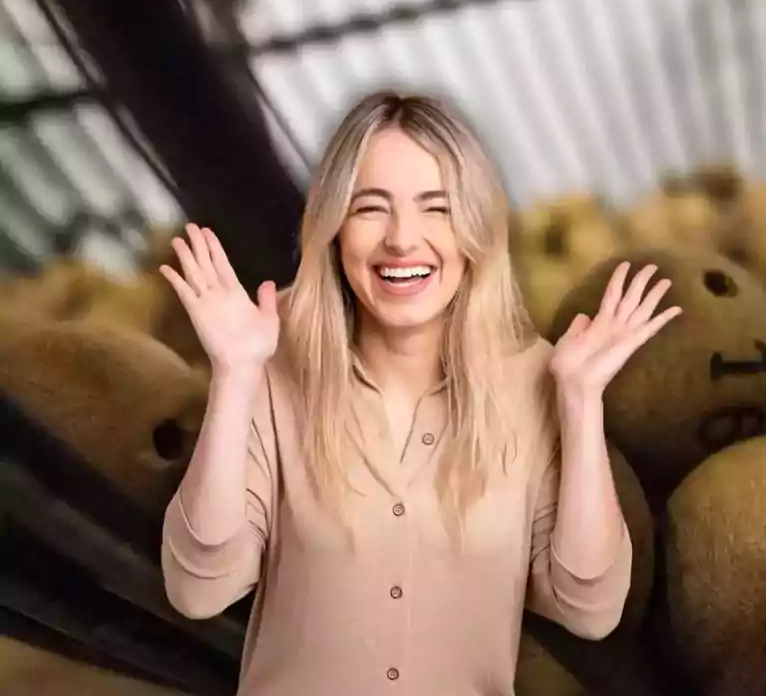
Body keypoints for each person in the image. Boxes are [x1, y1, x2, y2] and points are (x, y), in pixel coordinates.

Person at [158, 91, 681, 695]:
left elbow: (588, 608)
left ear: (476, 230)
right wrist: (234, 376)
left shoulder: (534, 378)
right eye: (370, 208)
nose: (403, 240)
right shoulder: (274, 370)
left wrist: (582, 402)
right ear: (332, 229)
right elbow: (198, 589)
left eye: (437, 209)